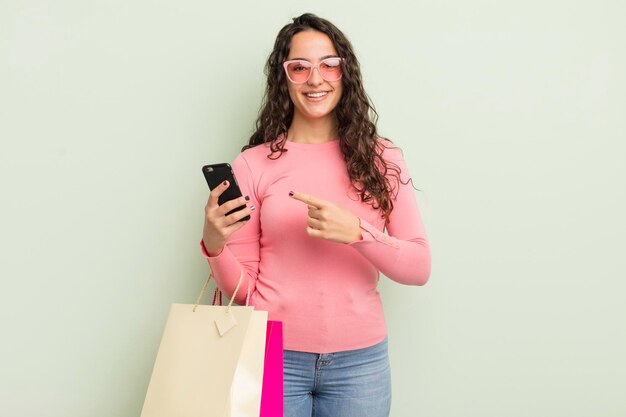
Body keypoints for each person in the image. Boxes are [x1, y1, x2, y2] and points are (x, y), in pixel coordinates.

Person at [201, 13, 431, 417]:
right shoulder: (253, 165)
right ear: (283, 77)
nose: (315, 78)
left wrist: (358, 232)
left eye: (329, 64)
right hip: (274, 357)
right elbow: (244, 295)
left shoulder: (383, 157)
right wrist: (215, 245)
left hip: (361, 365)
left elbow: (418, 267)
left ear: (345, 72)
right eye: (299, 67)